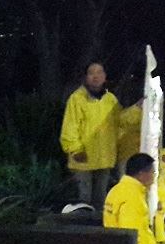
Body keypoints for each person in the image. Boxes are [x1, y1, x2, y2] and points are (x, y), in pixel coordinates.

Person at [59, 62, 140, 205]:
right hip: (83, 160)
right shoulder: (77, 99)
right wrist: (75, 149)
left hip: (104, 159)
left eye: (99, 72)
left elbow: (121, 120)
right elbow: (70, 127)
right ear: (85, 77)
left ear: (104, 76)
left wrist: (137, 108)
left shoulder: (110, 99)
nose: (95, 76)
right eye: (91, 73)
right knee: (83, 202)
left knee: (100, 202)